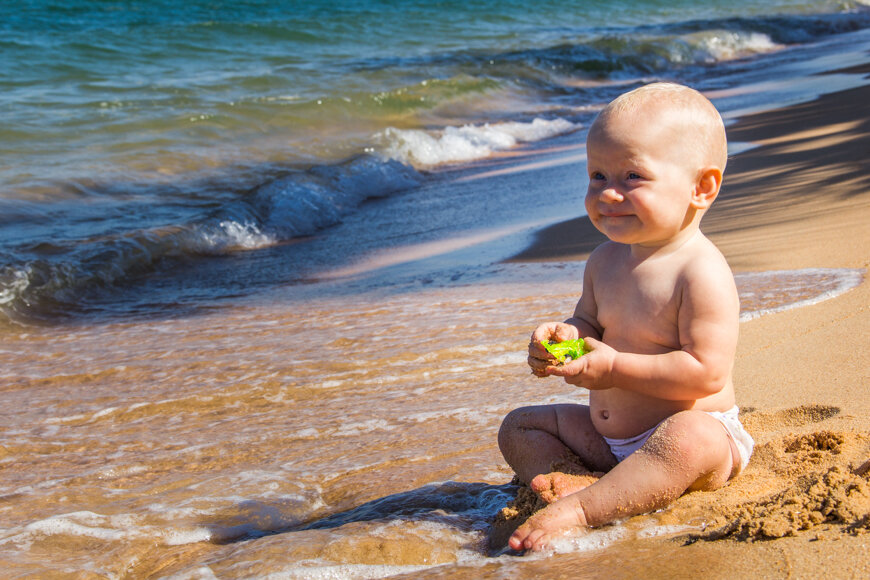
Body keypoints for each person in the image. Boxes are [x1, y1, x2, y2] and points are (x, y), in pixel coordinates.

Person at [498, 82, 754, 552]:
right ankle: (577, 480)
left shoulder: (700, 270)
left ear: (702, 187)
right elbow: (590, 325)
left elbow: (705, 373)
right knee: (520, 425)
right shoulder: (603, 261)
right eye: (597, 175)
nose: (607, 194)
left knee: (691, 436)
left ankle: (584, 507)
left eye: (632, 177)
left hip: (688, 438)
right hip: (609, 438)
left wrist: (612, 367)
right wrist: (564, 342)